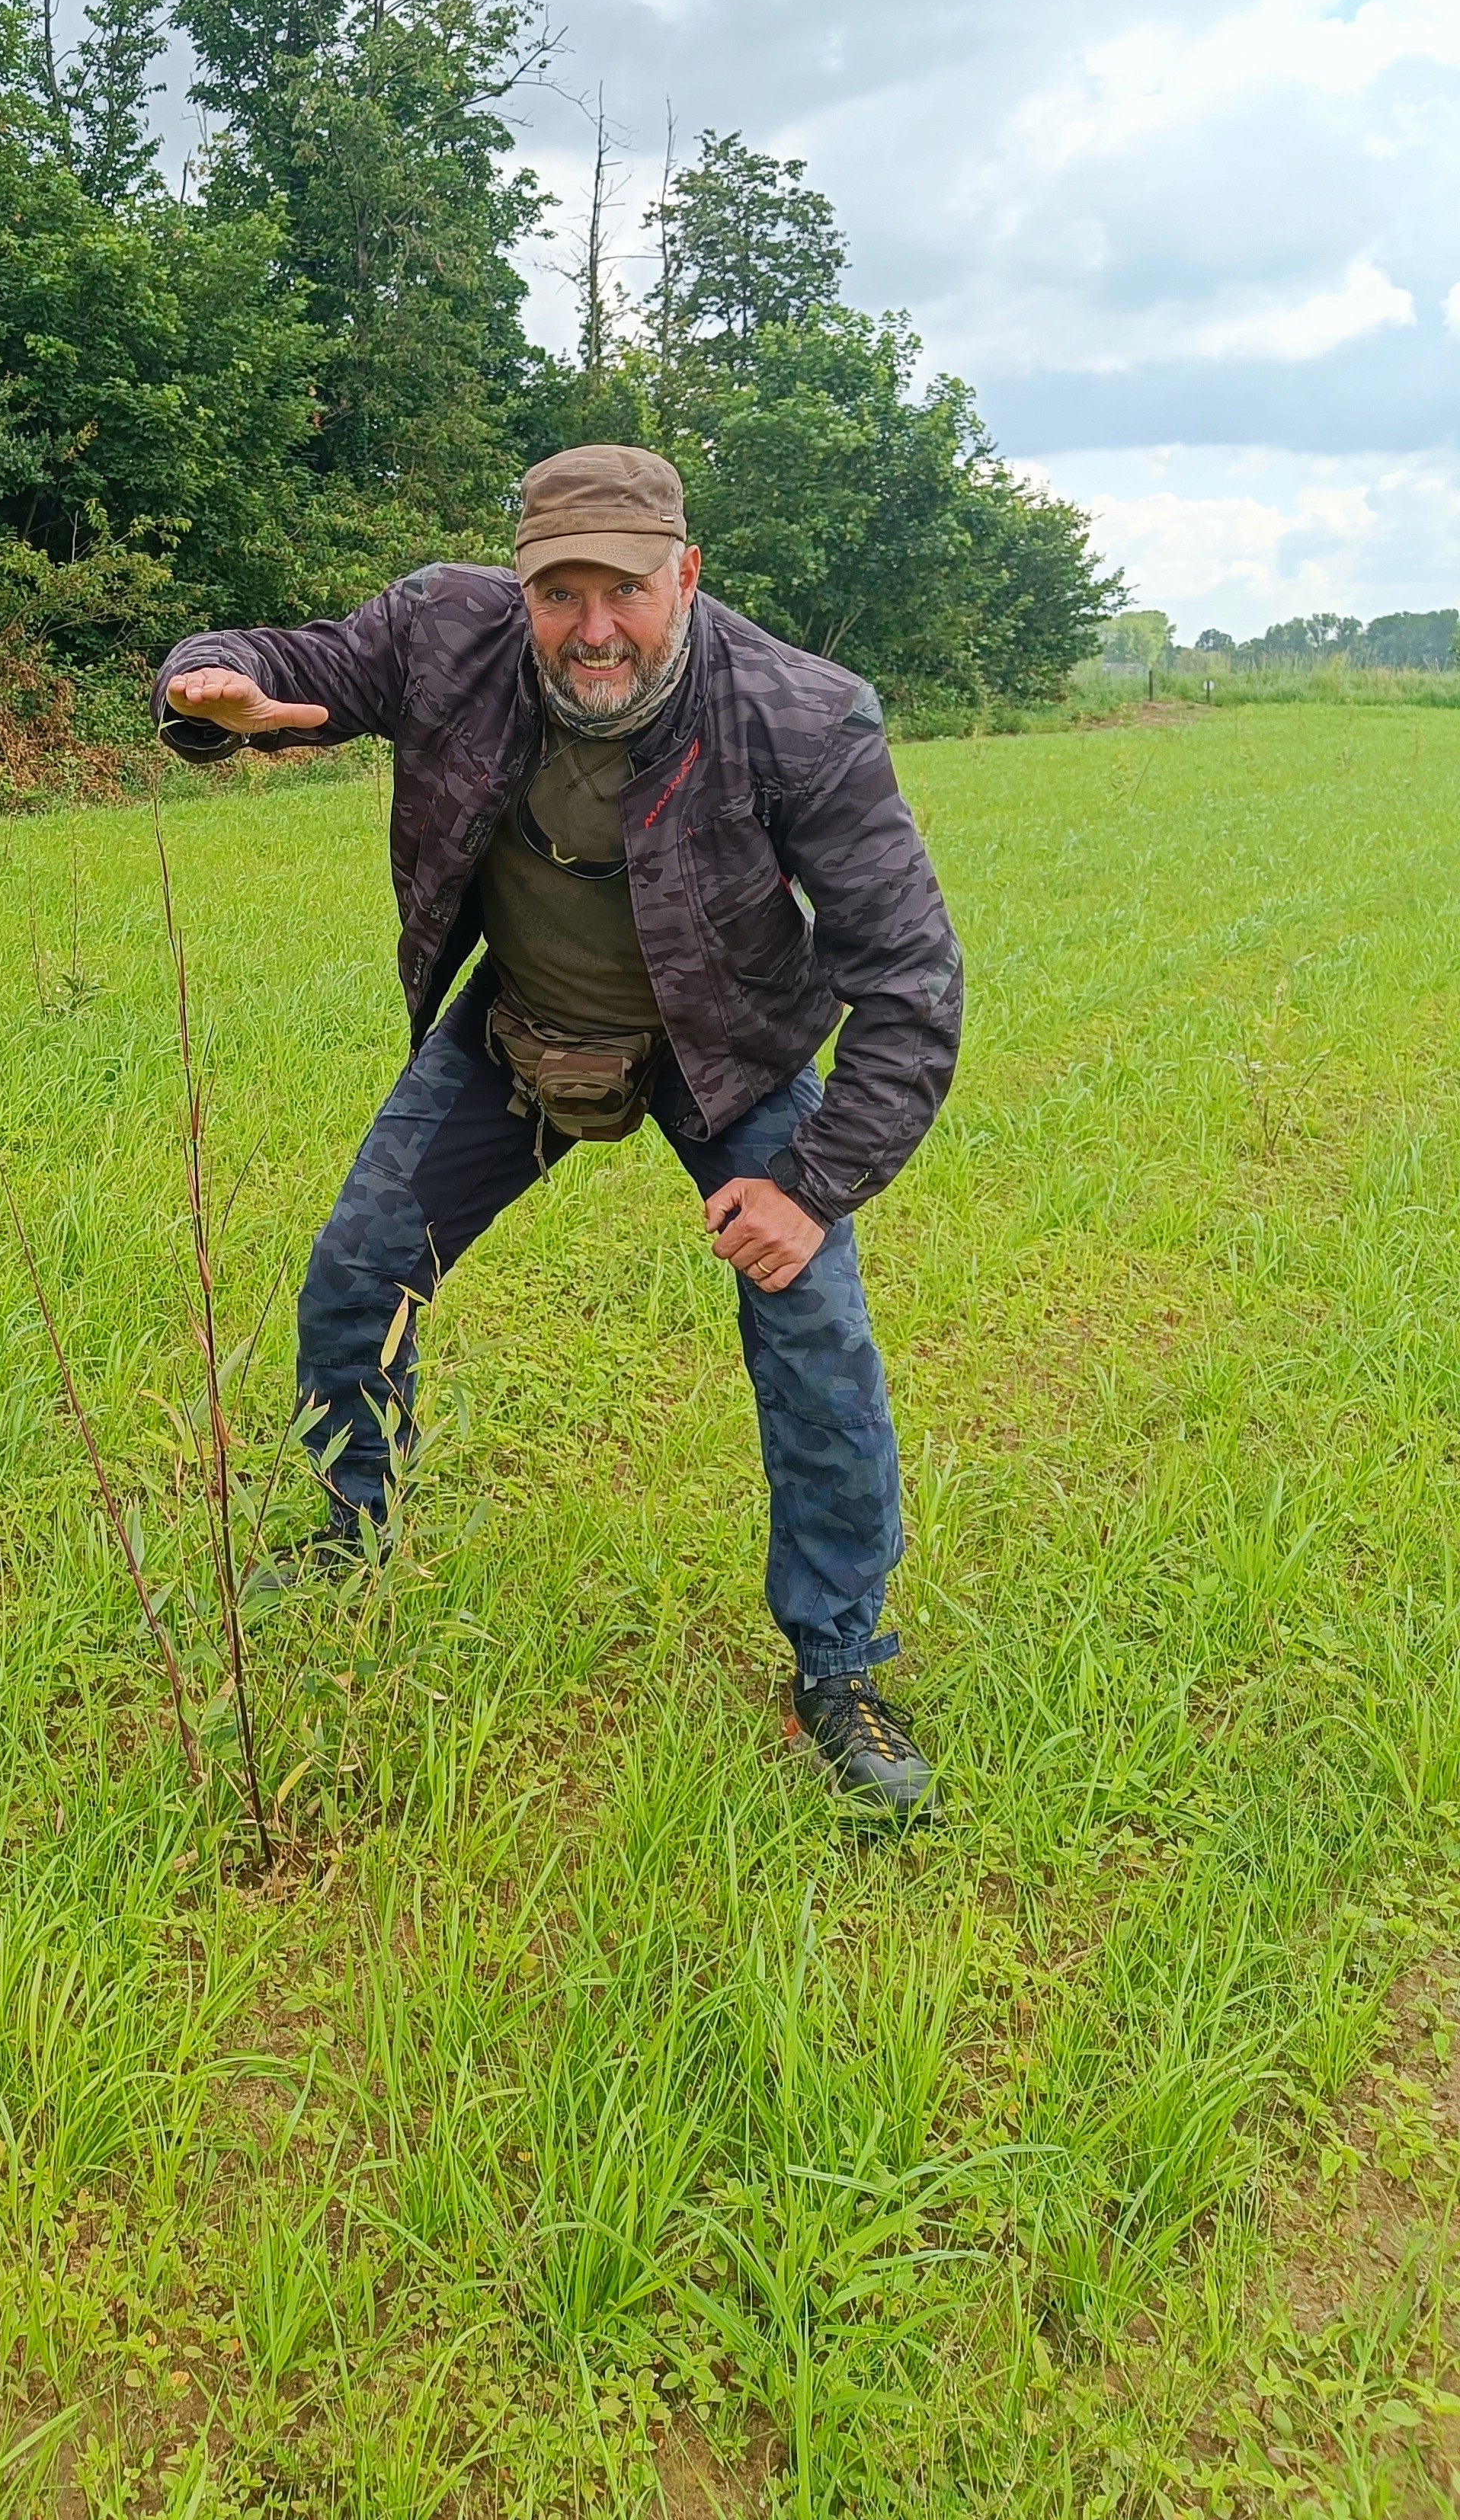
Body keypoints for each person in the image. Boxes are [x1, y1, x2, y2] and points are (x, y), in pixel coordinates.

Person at [153, 443, 962, 1822]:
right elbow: (287, 666)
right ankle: (358, 1536)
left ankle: (838, 1664)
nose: (595, 629)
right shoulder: (442, 633)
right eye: (561, 593)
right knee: (361, 1267)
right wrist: (209, 688)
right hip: (520, 1026)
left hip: (730, 1053)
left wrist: (812, 1190)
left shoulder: (802, 717)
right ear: (518, 587)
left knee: (814, 1327)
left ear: (687, 575)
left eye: (628, 592)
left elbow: (910, 979)